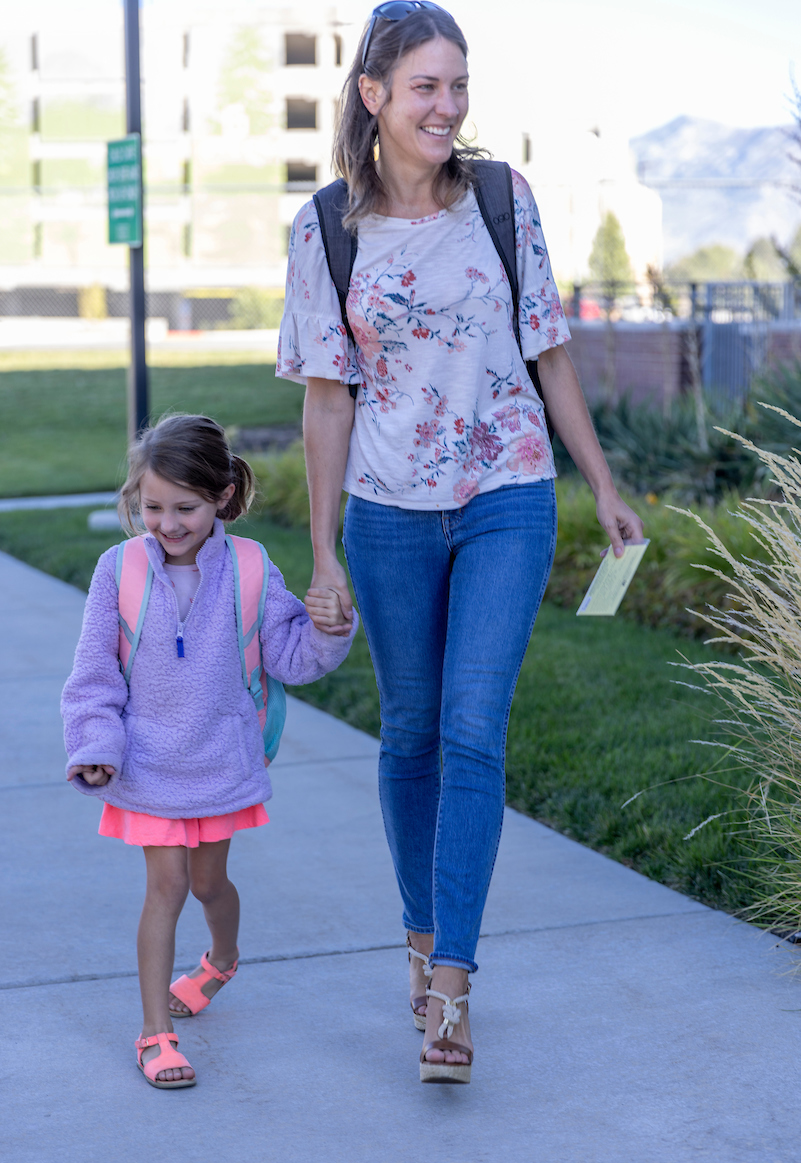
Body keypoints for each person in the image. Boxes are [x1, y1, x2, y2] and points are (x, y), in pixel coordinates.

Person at [277, 2, 643, 1084]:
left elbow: (550, 350)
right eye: (426, 87)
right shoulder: (328, 228)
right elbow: (327, 402)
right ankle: (420, 935)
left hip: (506, 494)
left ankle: (451, 989)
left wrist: (604, 487)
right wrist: (326, 552)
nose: (448, 106)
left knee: (474, 734)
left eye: (458, 85)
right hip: (390, 511)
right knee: (413, 736)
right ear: (373, 96)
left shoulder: (501, 199)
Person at [61, 414, 356, 1090]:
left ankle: (221, 959)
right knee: (164, 888)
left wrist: (329, 627)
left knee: (207, 886)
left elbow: (289, 656)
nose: (165, 523)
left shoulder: (251, 567)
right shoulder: (119, 569)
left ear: (222, 495)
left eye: (184, 508)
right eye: (151, 506)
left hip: (220, 761)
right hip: (145, 764)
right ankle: (153, 1034)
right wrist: (97, 746)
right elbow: (93, 675)